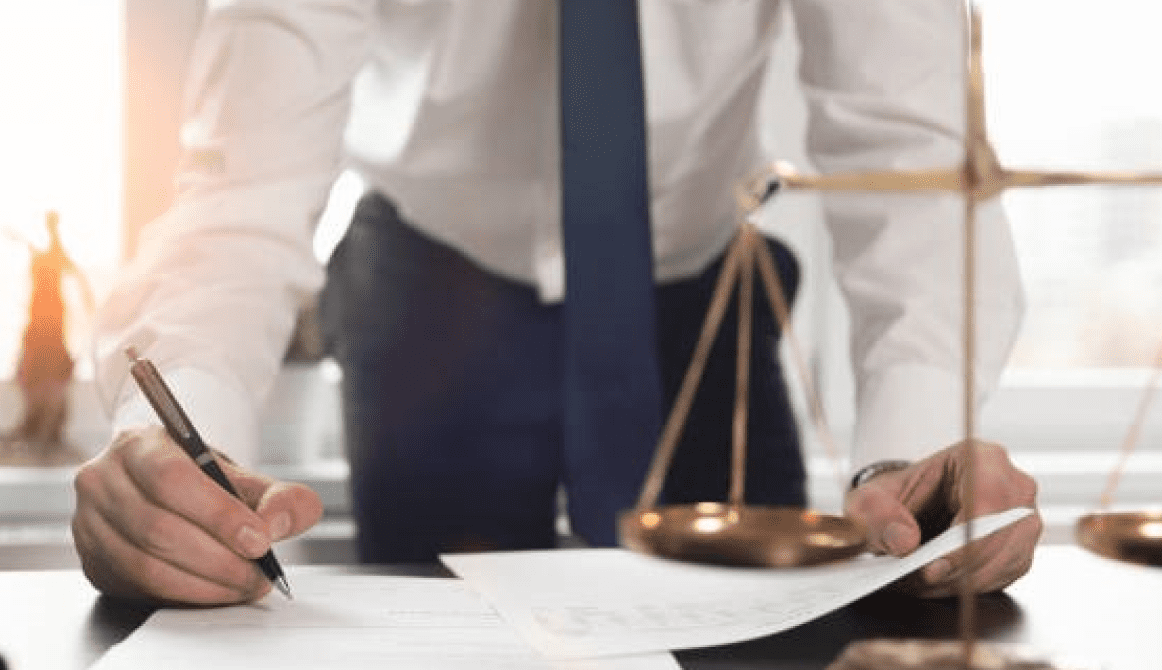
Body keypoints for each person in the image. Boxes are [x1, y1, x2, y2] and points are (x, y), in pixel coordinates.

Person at [74, 0, 1041, 606]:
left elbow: (909, 151)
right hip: (434, 292)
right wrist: (172, 442)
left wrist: (913, 454)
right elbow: (241, 187)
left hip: (696, 292)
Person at [0, 210, 94, 465]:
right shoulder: (43, 256)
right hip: (40, 326)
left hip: (51, 326)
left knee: (50, 383)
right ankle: (34, 432)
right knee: (33, 379)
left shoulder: (54, 255)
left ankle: (45, 436)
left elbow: (78, 280)